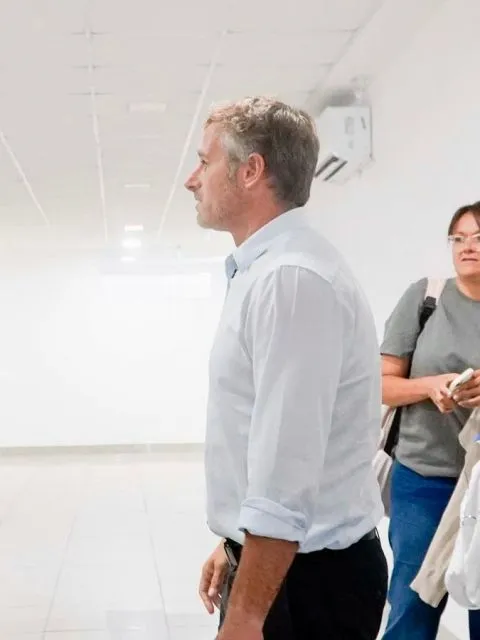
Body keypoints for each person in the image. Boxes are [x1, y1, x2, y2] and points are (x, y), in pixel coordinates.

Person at [184, 96, 388, 640]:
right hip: (287, 567)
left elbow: (285, 470)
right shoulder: (268, 271)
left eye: (204, 162)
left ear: (250, 170)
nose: (191, 180)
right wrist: (236, 544)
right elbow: (261, 438)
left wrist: (247, 615)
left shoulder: (290, 279)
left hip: (308, 586)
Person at [381, 202, 480, 639]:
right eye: (458, 238)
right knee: (412, 608)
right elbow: (381, 384)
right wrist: (429, 386)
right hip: (424, 479)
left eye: (478, 238)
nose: (467, 247)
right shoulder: (427, 297)